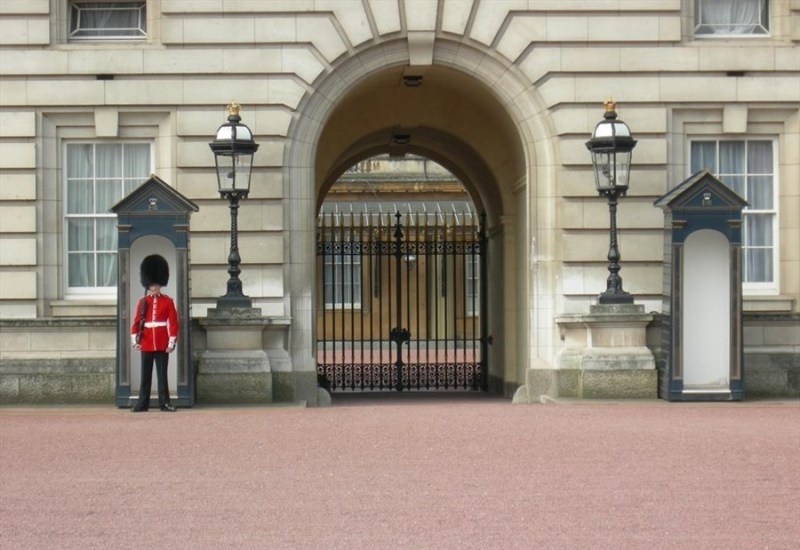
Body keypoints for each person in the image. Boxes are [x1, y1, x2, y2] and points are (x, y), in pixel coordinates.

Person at [130, 254, 178, 412]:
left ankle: (165, 403)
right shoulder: (143, 302)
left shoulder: (168, 301)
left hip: (162, 342)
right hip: (146, 342)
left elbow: (173, 323)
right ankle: (142, 403)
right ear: (148, 284)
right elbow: (136, 323)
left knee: (162, 376)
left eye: (156, 284)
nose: (154, 287)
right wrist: (135, 341)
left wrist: (171, 343)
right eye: (152, 284)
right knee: (145, 376)